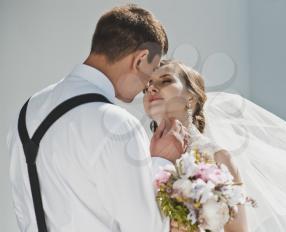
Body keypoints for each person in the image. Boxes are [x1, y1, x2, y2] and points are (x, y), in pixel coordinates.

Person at [7, 5, 186, 232]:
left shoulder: (26, 112)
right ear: (140, 59)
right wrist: (162, 161)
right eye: (152, 70)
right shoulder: (117, 125)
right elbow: (145, 228)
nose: (148, 83)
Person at [143, 59, 286, 232]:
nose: (152, 88)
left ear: (190, 97)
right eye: (147, 86)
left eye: (166, 80)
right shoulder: (139, 152)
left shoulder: (217, 158)